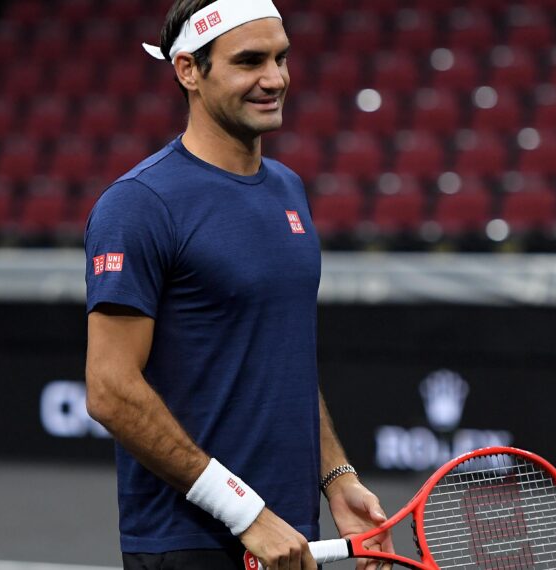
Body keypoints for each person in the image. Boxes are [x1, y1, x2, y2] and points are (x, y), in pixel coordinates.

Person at [84, 1, 395, 568]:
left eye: (281, 58)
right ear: (188, 70)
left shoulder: (288, 188)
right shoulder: (138, 204)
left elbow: (283, 358)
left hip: (290, 536)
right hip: (188, 544)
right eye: (250, 61)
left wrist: (337, 478)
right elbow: (110, 390)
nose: (274, 79)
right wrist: (246, 513)